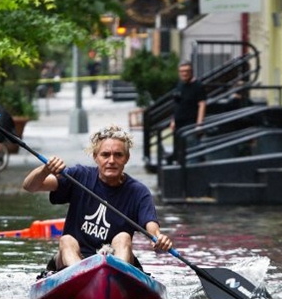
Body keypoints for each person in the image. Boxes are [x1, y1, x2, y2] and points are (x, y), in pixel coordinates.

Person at [22, 124, 174, 273]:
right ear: (96, 157)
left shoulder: (139, 192)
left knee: (123, 237)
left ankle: (114, 275)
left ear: (126, 158)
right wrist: (45, 169)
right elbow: (30, 186)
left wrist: (160, 240)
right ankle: (82, 275)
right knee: (67, 240)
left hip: (115, 262)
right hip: (73, 261)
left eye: (118, 155)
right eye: (105, 154)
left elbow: (153, 230)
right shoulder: (79, 175)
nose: (112, 160)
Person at [169, 61, 207, 164]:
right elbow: (176, 104)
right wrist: (173, 120)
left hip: (191, 123)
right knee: (179, 152)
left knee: (192, 153)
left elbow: (202, 104)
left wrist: (199, 124)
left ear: (191, 72)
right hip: (178, 124)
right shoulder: (179, 84)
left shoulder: (198, 85)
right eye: (181, 71)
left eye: (186, 71)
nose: (184, 73)